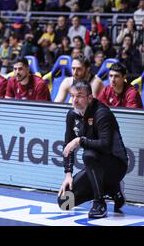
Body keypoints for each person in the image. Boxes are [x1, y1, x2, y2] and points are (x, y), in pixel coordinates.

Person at [58, 80, 128, 219]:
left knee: (89, 155)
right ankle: (112, 189)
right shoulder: (72, 114)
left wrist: (80, 140)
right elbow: (68, 146)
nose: (74, 100)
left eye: (79, 96)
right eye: (72, 96)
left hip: (116, 165)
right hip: (95, 168)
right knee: (65, 202)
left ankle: (99, 203)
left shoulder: (102, 113)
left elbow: (105, 145)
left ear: (90, 98)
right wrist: (68, 174)